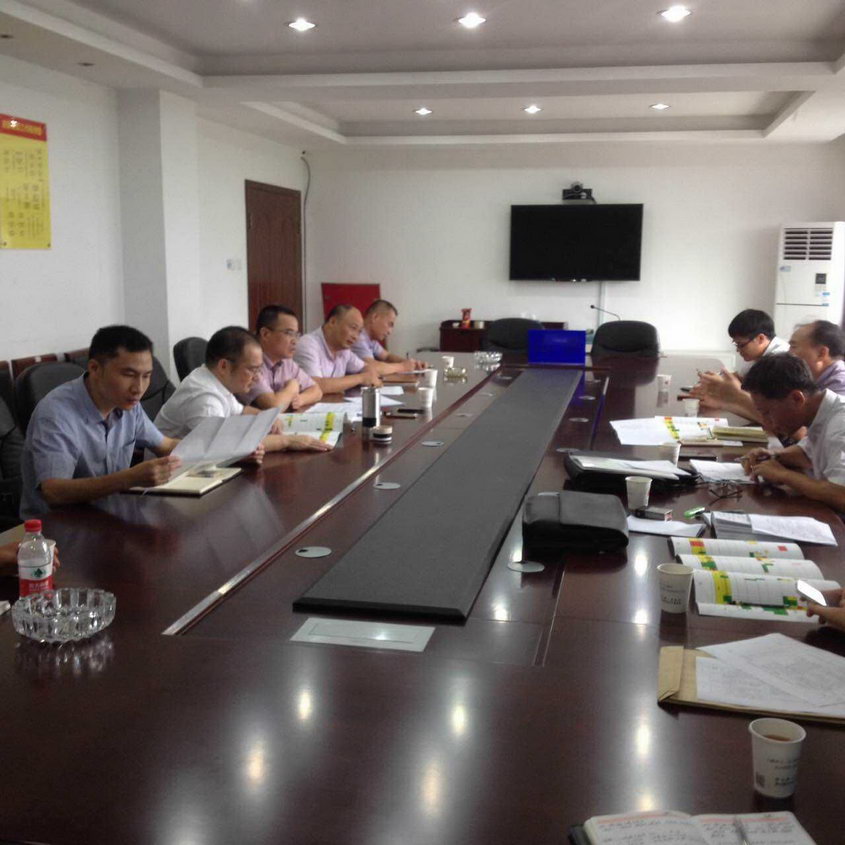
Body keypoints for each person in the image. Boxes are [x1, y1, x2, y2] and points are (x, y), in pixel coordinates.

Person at [20, 325, 182, 518]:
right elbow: (53, 492)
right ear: (95, 369)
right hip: (56, 526)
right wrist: (129, 478)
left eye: (146, 376)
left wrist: (209, 449)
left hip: (111, 516)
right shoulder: (55, 414)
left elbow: (166, 446)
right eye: (128, 375)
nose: (139, 388)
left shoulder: (129, 404)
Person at [155, 326, 330, 452]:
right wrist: (287, 441)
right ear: (224, 366)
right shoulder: (205, 398)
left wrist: (266, 419)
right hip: (169, 478)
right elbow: (223, 447)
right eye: (252, 369)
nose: (257, 377)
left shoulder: (215, 380)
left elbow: (240, 410)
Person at [741, 353, 845, 512]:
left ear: (797, 398)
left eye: (767, 412)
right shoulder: (822, 412)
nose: (766, 422)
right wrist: (773, 456)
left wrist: (783, 475)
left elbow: (842, 495)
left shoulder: (840, 425)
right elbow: (807, 454)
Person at [692, 320, 845, 422]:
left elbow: (792, 427)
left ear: (821, 353)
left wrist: (737, 396)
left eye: (793, 346)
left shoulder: (840, 388)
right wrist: (725, 402)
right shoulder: (813, 378)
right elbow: (772, 415)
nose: (788, 352)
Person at [239, 305, 323, 410]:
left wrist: (300, 399)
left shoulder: (287, 362)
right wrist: (293, 387)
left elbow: (316, 390)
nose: (295, 341)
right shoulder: (250, 362)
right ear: (265, 334)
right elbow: (273, 407)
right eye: (289, 333)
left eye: (296, 335)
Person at [294, 305, 383, 393]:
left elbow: (365, 367)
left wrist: (371, 375)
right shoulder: (308, 344)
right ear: (333, 322)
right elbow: (315, 385)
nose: (355, 337)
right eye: (353, 328)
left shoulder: (344, 350)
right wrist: (361, 378)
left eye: (359, 332)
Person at [351, 299, 426, 374]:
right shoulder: (358, 337)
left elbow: (387, 356)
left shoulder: (371, 339)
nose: (390, 332)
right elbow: (371, 367)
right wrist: (403, 366)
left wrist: (412, 364)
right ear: (375, 317)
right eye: (390, 324)